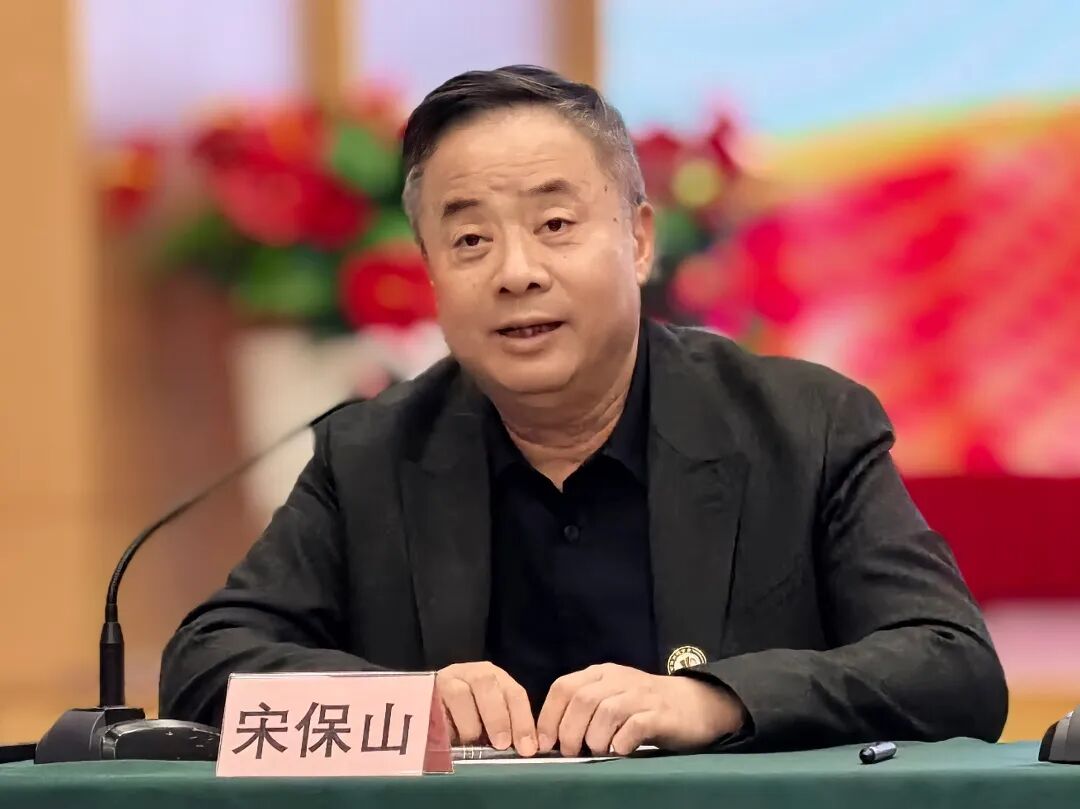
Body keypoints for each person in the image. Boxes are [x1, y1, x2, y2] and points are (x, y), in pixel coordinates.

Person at [160, 65, 1007, 756]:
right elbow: (205, 664)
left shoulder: (803, 425)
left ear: (638, 240)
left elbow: (952, 666)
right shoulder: (371, 452)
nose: (516, 271)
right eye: (470, 240)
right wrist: (408, 702)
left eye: (556, 224)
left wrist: (717, 700)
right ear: (430, 271)